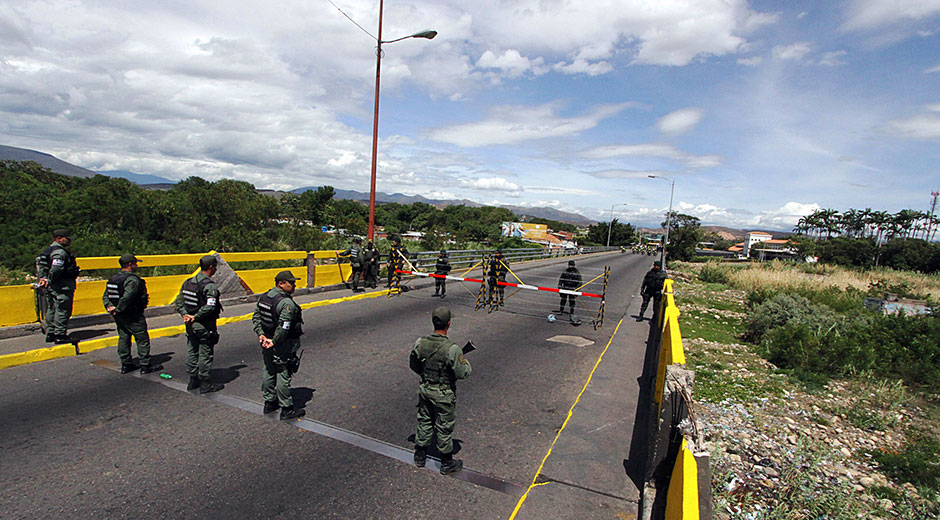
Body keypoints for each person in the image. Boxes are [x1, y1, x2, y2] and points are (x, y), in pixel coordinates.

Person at [409, 306, 471, 475]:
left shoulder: (420, 343)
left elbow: (414, 365)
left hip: (426, 388)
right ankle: (446, 462)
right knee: (443, 426)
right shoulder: (452, 349)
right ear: (448, 324)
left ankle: (420, 456)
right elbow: (463, 373)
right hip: (443, 394)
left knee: (424, 421)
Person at [252, 270, 306, 420]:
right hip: (282, 343)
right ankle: (286, 408)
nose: (294, 285)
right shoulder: (286, 303)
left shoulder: (265, 297)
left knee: (269, 369)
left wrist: (261, 334)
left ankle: (269, 402)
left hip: (267, 340)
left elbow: (256, 317)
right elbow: (284, 327)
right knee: (283, 372)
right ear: (281, 284)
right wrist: (274, 341)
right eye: (291, 283)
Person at [103, 254, 162, 374]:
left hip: (119, 315)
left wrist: (110, 308)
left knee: (124, 337)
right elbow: (127, 297)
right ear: (130, 265)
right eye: (135, 263)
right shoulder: (132, 280)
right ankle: (145, 365)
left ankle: (126, 363)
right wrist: (119, 308)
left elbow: (106, 296)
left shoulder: (113, 279)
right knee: (142, 338)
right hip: (132, 314)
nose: (137, 265)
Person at [175, 255, 224, 393]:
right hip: (204, 324)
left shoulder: (188, 282)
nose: (215, 269)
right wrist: (195, 317)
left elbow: (179, 302)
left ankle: (193, 379)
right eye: (215, 267)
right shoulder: (209, 285)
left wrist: (186, 315)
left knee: (192, 349)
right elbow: (210, 306)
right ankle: (205, 382)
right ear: (210, 267)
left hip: (190, 324)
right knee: (205, 352)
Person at [37, 229, 80, 344]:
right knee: (63, 310)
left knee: (51, 308)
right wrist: (50, 280)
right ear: (59, 238)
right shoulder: (59, 252)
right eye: (67, 238)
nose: (69, 241)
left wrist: (44, 279)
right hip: (61, 286)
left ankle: (50, 333)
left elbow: (40, 266)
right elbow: (56, 268)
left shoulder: (48, 250)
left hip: (53, 286)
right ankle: (60, 335)